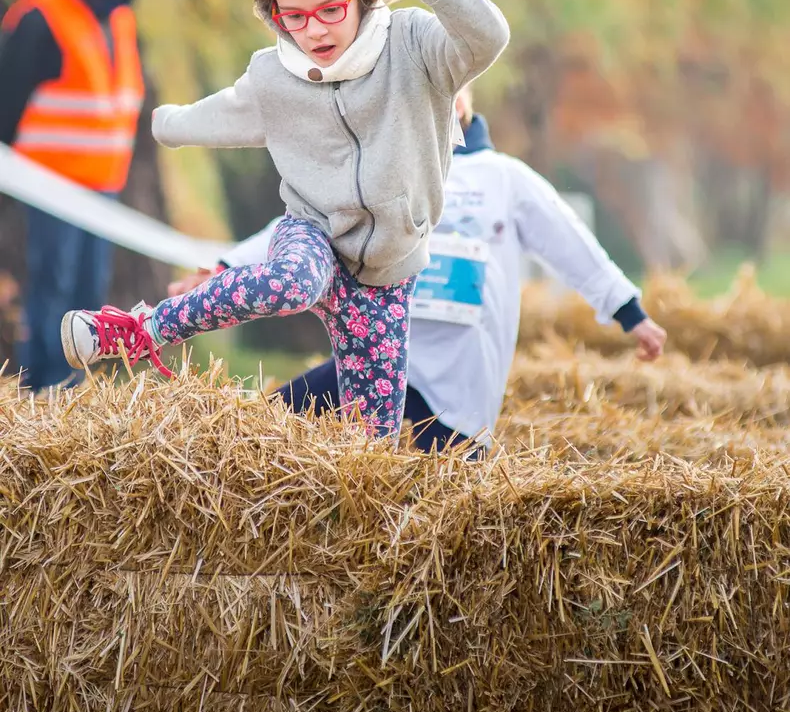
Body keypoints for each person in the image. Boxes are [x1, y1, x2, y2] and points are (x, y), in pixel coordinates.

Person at [60, 0, 510, 438]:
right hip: (312, 236)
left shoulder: (415, 47)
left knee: (375, 444)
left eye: (329, 10)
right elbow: (222, 114)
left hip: (387, 277)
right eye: (292, 17)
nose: (314, 31)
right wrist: (160, 122)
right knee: (293, 282)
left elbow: (489, 36)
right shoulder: (275, 77)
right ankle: (136, 330)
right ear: (274, 14)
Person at [169, 86, 667, 453]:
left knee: (442, 503)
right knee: (262, 429)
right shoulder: (379, 175)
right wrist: (223, 267)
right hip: (376, 351)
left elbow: (573, 246)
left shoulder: (506, 180)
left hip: (459, 381)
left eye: (443, 87)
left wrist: (630, 313)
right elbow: (305, 224)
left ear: (465, 97)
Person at [0, 0, 146, 391]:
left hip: (102, 185)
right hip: (51, 183)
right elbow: (8, 102)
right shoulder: (42, 15)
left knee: (87, 294)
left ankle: (75, 386)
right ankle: (42, 383)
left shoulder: (120, 19)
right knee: (51, 287)